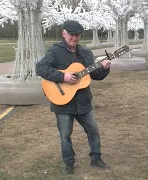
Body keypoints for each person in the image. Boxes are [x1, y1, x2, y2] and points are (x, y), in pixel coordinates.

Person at [36, 20, 111, 175]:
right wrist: (63, 76)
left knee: (93, 131)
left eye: (77, 35)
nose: (74, 38)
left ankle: (96, 158)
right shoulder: (55, 52)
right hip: (62, 102)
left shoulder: (86, 53)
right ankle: (69, 164)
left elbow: (94, 75)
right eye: (71, 34)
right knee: (65, 136)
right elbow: (41, 68)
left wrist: (104, 69)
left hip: (83, 102)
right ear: (64, 33)